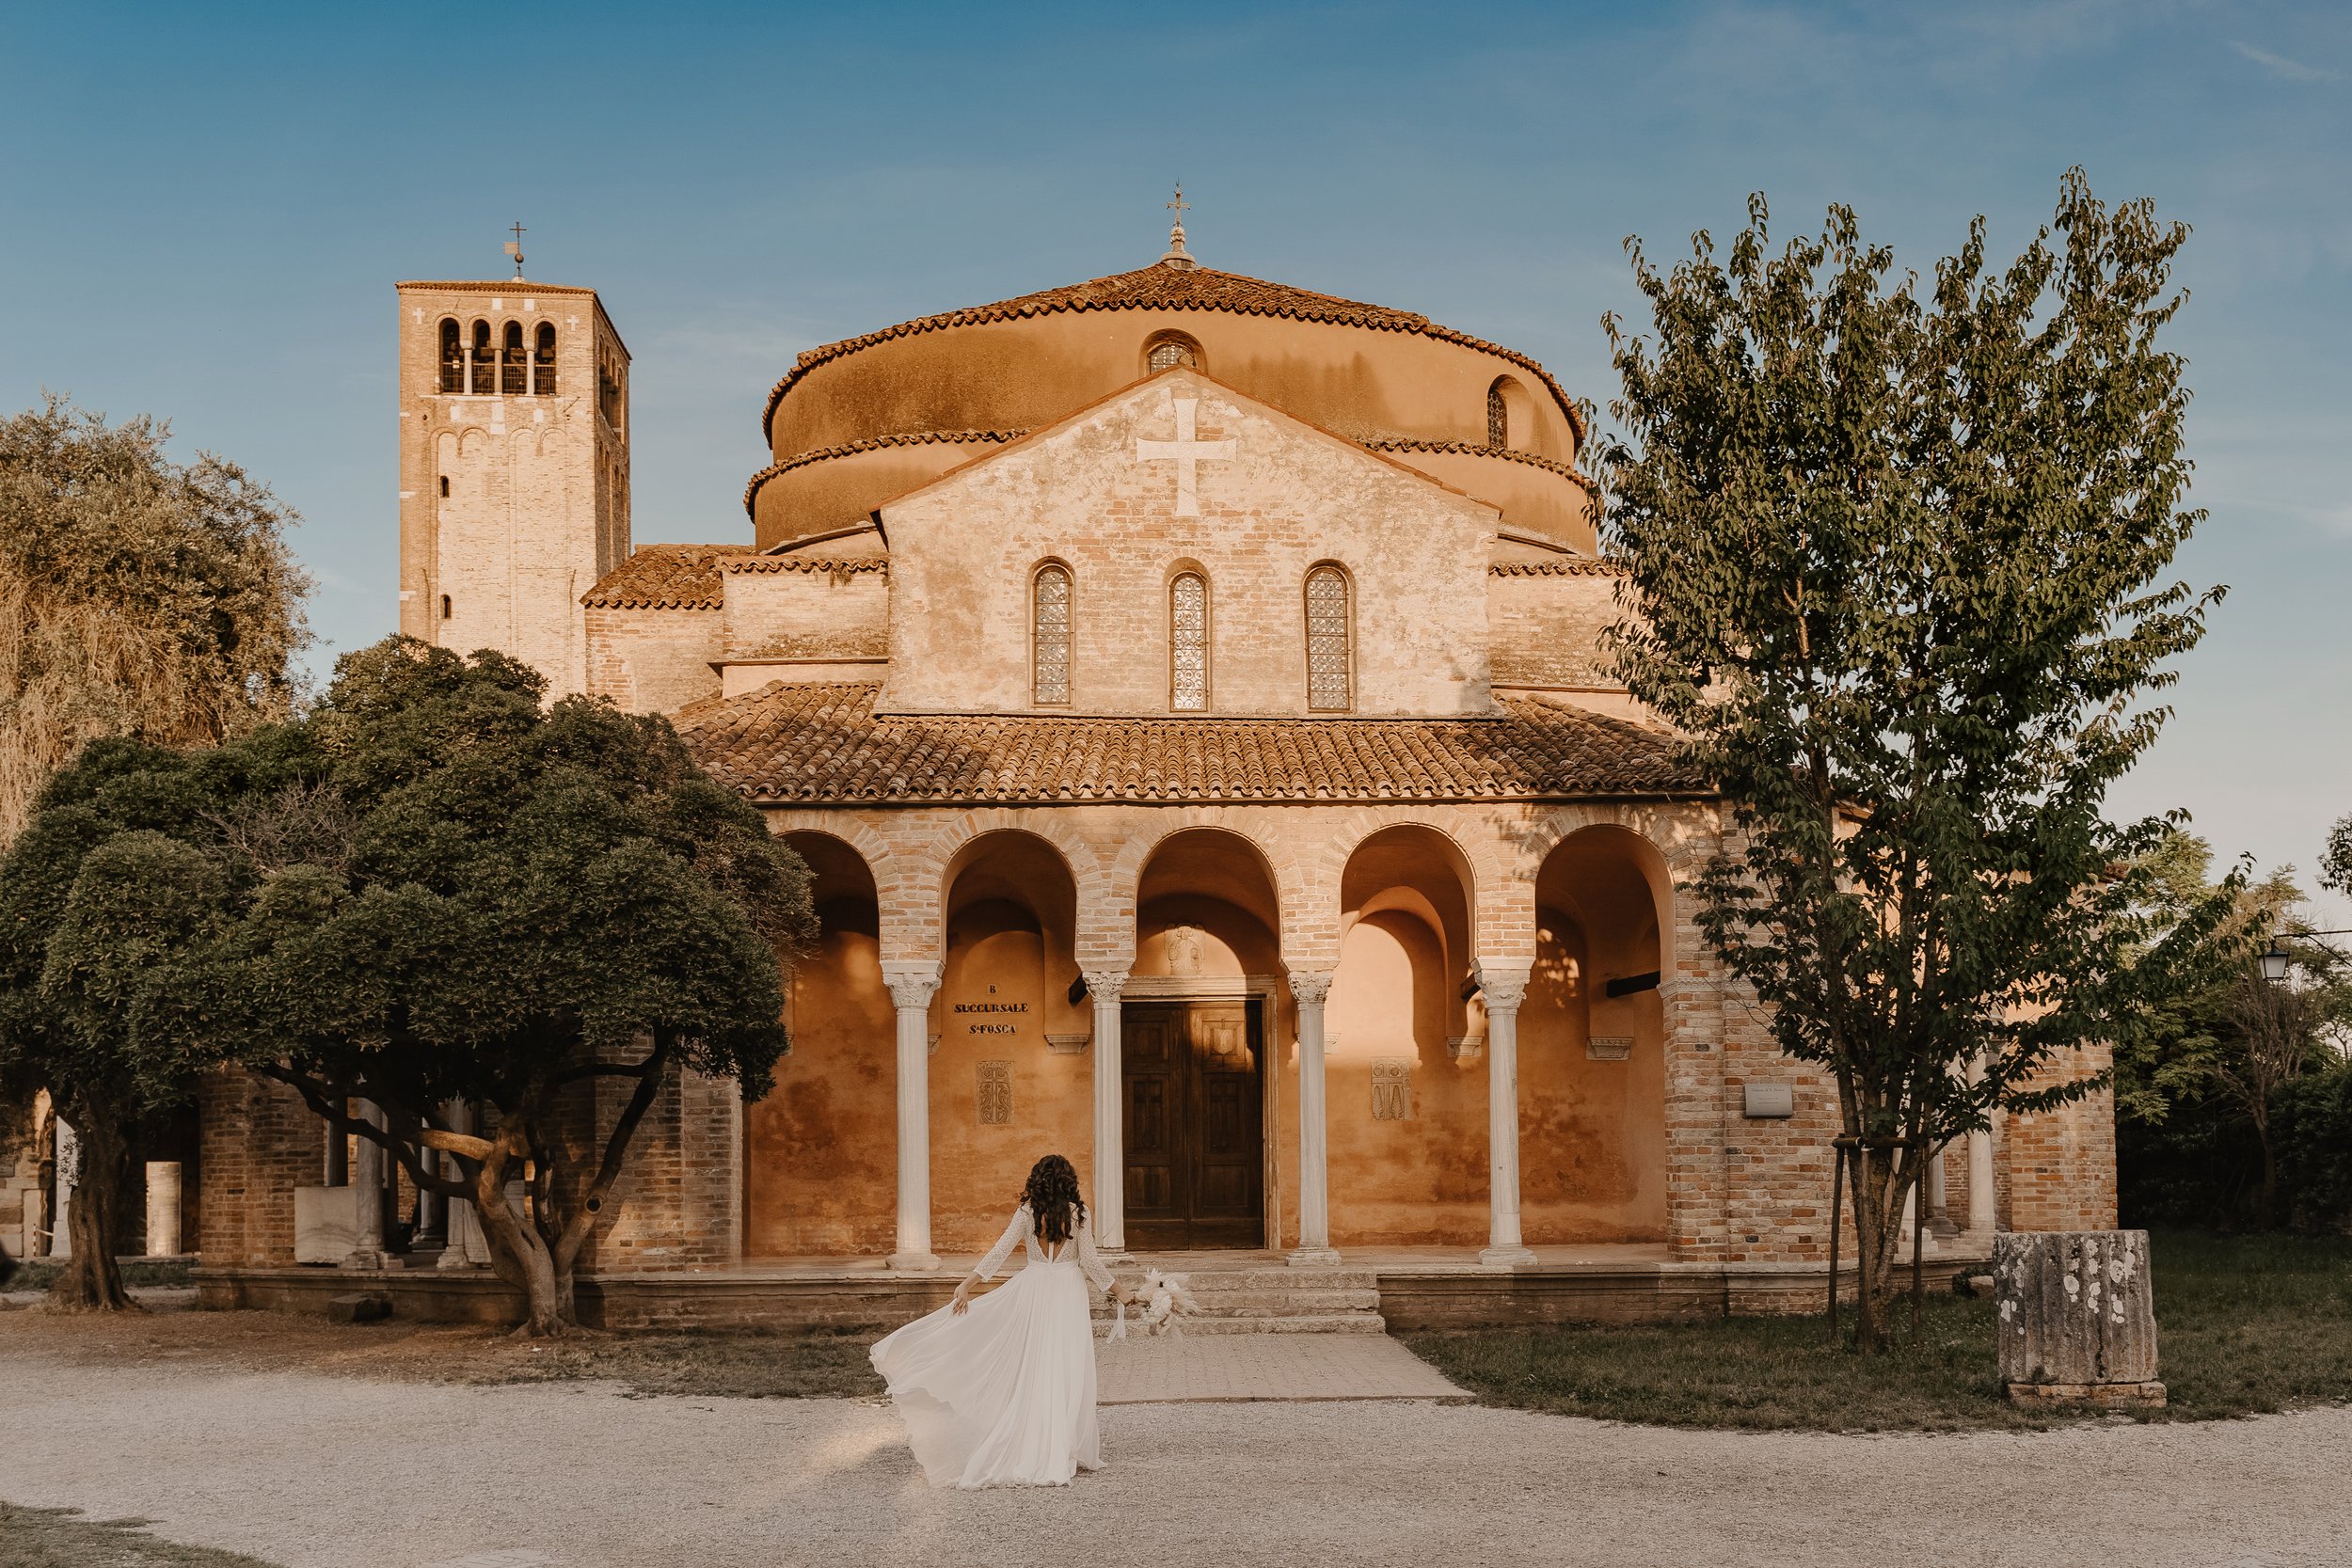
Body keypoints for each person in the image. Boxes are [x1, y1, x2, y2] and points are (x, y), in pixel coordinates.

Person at [869, 1153, 1133, 1489]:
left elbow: (999, 1250)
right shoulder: (1079, 1214)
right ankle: (1058, 1446)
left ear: (1037, 1180)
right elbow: (1092, 1263)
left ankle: (1037, 1442)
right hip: (1067, 1291)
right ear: (1069, 1181)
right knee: (1065, 1367)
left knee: (1036, 1366)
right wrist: (1122, 1292)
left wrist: (968, 1283)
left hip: (1035, 1289)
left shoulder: (1027, 1212)